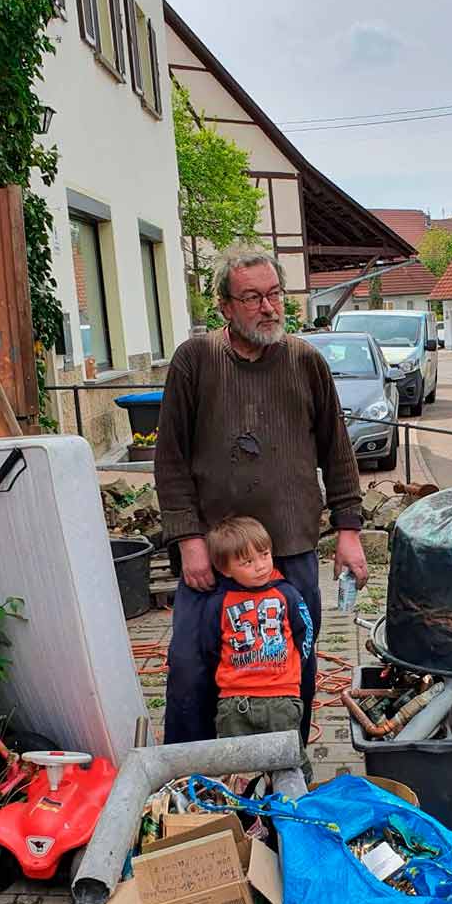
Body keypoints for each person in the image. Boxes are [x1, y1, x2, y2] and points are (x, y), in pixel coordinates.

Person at [154, 244, 368, 746]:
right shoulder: (196, 360)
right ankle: (190, 776)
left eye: (274, 294)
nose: (268, 307)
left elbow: (338, 453)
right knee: (191, 665)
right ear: (226, 306)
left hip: (289, 550)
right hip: (214, 554)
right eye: (251, 298)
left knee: (295, 664)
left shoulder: (305, 361)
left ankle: (283, 764)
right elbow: (170, 461)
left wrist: (349, 532)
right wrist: (188, 540)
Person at [200, 516, 316, 783]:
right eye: (247, 562)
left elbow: (305, 632)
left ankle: (300, 805)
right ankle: (247, 819)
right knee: (235, 773)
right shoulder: (218, 603)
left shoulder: (286, 594)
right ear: (225, 569)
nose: (260, 566)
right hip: (234, 703)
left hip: (281, 700)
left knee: (290, 766)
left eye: (264, 555)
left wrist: (294, 667)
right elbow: (210, 647)